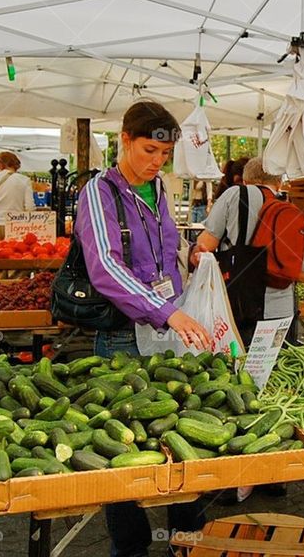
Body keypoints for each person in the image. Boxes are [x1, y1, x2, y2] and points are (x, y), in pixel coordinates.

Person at [74, 101, 212, 557]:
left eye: (165, 154)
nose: (157, 162)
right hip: (120, 334)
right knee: (123, 447)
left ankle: (185, 541)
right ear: (124, 141)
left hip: (164, 329)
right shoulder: (99, 193)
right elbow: (106, 269)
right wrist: (166, 310)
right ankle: (131, 549)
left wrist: (190, 259)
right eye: (149, 150)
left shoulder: (159, 190)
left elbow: (161, 251)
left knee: (181, 430)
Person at [196, 157, 304, 344]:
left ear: (245, 180)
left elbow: (205, 245)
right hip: (282, 312)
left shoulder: (235, 194)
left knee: (240, 368)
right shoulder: (288, 209)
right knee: (278, 369)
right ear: (279, 183)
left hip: (241, 307)